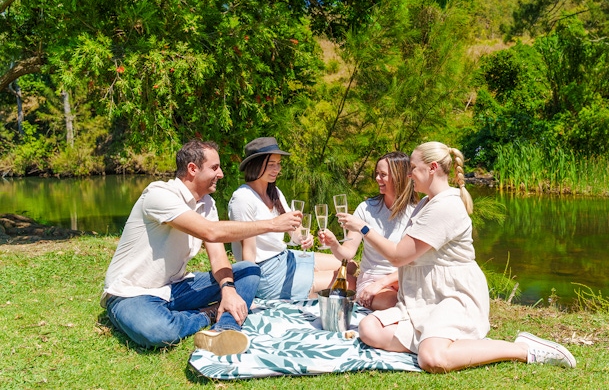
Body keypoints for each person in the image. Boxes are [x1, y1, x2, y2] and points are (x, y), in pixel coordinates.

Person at [337, 141, 576, 372]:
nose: (408, 175)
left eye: (413, 169)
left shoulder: (446, 207)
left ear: (432, 168)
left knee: (432, 360)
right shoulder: (425, 204)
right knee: (369, 329)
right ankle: (443, 342)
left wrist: (364, 228)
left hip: (452, 295)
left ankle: (522, 348)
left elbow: (399, 257)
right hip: (423, 296)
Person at [101, 140, 301, 356]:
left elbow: (218, 257)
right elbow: (210, 231)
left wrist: (228, 289)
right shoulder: (158, 194)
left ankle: (225, 327)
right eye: (215, 167)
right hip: (132, 293)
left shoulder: (207, 204)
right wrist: (272, 224)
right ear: (192, 169)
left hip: (175, 288)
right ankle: (209, 314)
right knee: (158, 332)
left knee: (248, 270)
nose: (221, 174)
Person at [228, 137, 356, 300]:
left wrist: (303, 237)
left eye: (279, 163)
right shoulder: (243, 198)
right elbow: (249, 253)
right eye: (271, 164)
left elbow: (293, 230)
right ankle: (306, 292)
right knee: (350, 282)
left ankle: (309, 289)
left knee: (350, 265)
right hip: (266, 272)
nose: (277, 169)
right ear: (255, 164)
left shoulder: (274, 192)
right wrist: (247, 294)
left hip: (286, 257)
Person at [318, 151, 418, 310]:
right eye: (377, 174)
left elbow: (416, 262)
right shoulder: (367, 209)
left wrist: (386, 282)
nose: (378, 179)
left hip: (405, 279)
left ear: (399, 176)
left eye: (383, 174)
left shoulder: (416, 212)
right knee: (395, 303)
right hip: (373, 281)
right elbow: (348, 253)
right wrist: (334, 244)